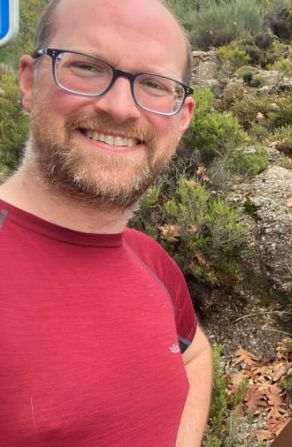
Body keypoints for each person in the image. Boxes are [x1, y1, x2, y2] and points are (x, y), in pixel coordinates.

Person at [0, 0, 212, 446]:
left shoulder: (151, 261)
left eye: (154, 84)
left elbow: (195, 356)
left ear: (183, 117)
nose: (119, 107)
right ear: (28, 80)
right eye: (87, 67)